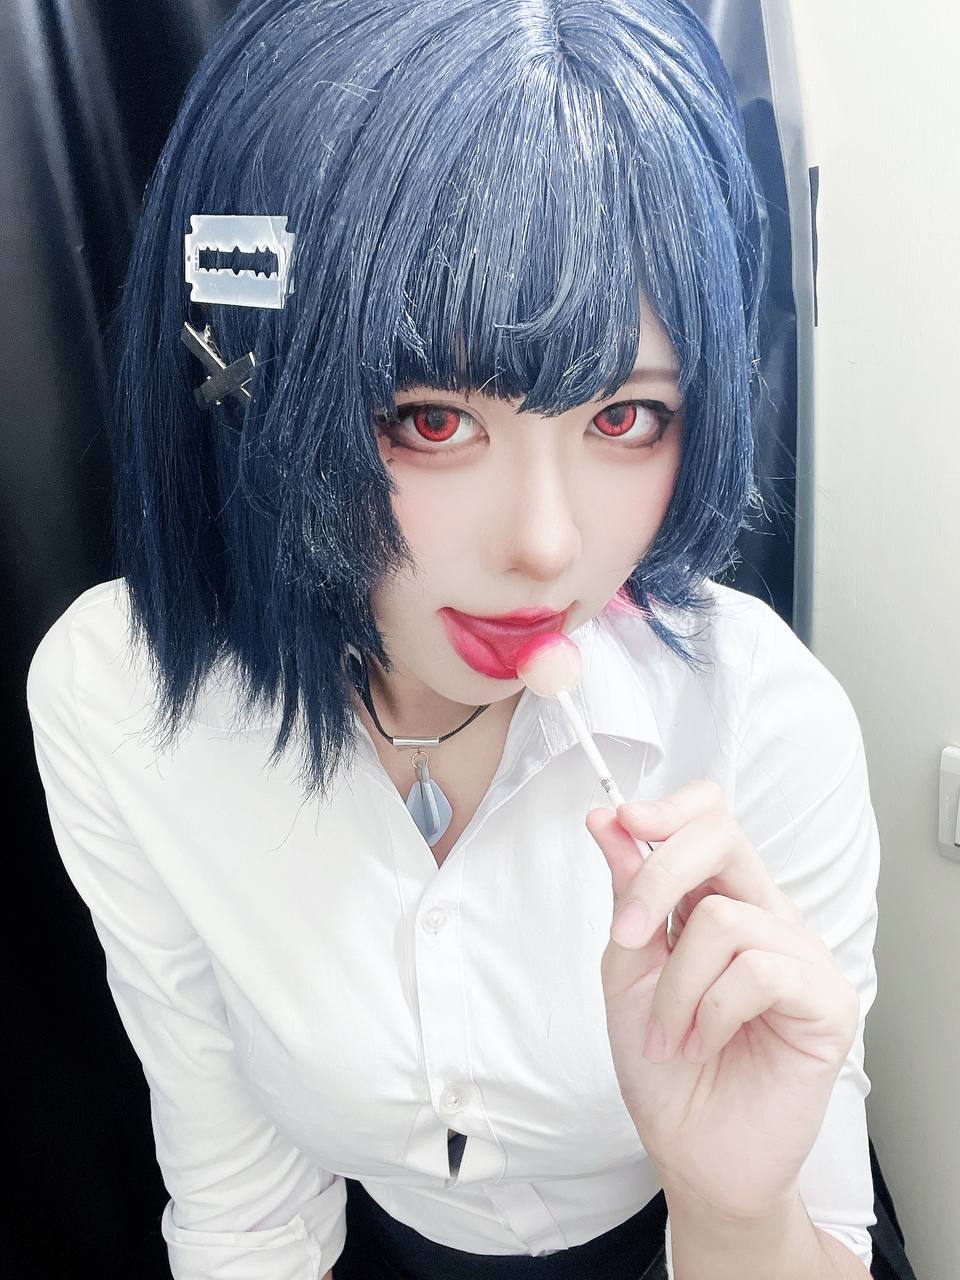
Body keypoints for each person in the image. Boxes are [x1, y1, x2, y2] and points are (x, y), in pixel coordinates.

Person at [26, 2, 880, 1277]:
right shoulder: (122, 701)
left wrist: (736, 1208)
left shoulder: (762, 719)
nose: (546, 544)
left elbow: (816, 1226)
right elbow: (246, 1210)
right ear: (249, 389)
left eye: (626, 418)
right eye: (431, 419)